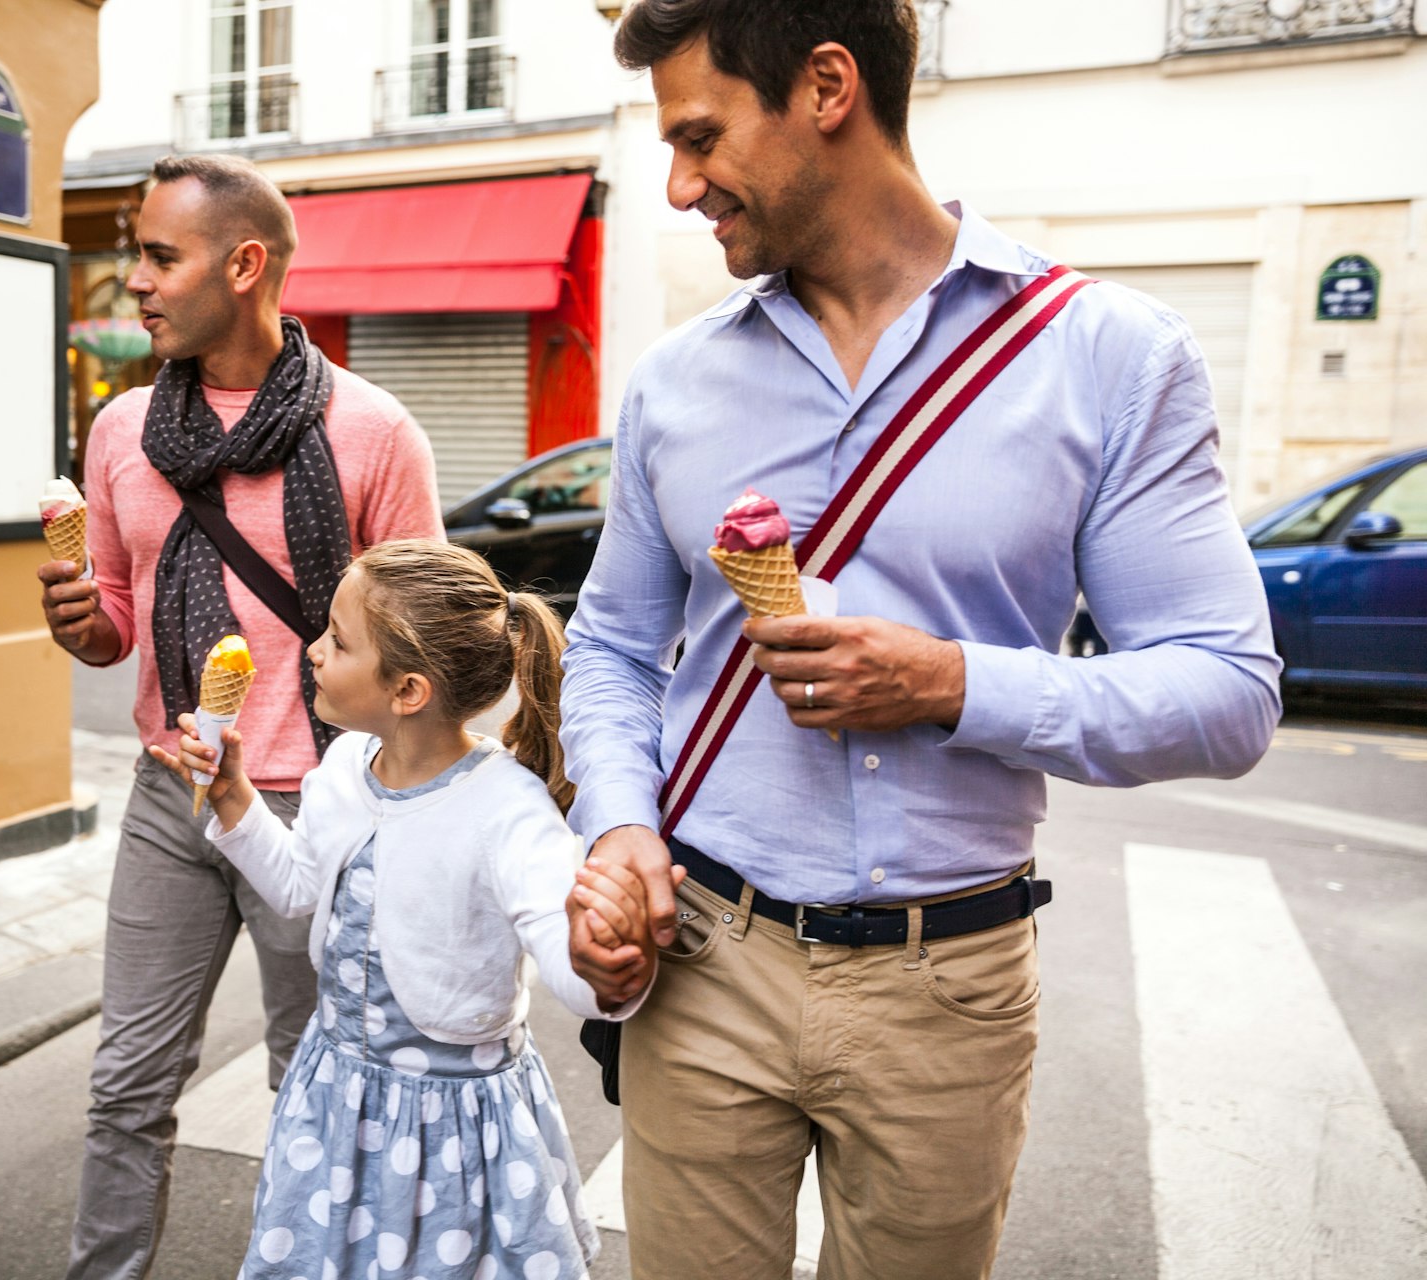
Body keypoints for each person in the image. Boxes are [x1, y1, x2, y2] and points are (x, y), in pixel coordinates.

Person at [557, 3, 1282, 1278]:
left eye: (700, 136)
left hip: (947, 986)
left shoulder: (1108, 357)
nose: (678, 186)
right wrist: (619, 826)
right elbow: (613, 645)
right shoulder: (676, 382)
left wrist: (954, 682)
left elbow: (1228, 692)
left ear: (827, 86)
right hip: (704, 960)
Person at [40, 154, 444, 1280]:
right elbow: (115, 622)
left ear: (245, 263)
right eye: (138, 255)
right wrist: (81, 618)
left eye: (160, 256)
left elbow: (430, 653)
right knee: (126, 1081)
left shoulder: (374, 434)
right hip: (174, 791)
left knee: (310, 1083)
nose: (137, 281)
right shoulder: (120, 432)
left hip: (320, 805)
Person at [151, 541, 649, 1280]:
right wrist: (233, 795)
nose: (313, 650)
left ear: (408, 690)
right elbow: (296, 891)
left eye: (338, 640)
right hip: (334, 1098)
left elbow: (571, 964)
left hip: (451, 1130)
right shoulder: (347, 765)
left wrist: (608, 966)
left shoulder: (509, 808)